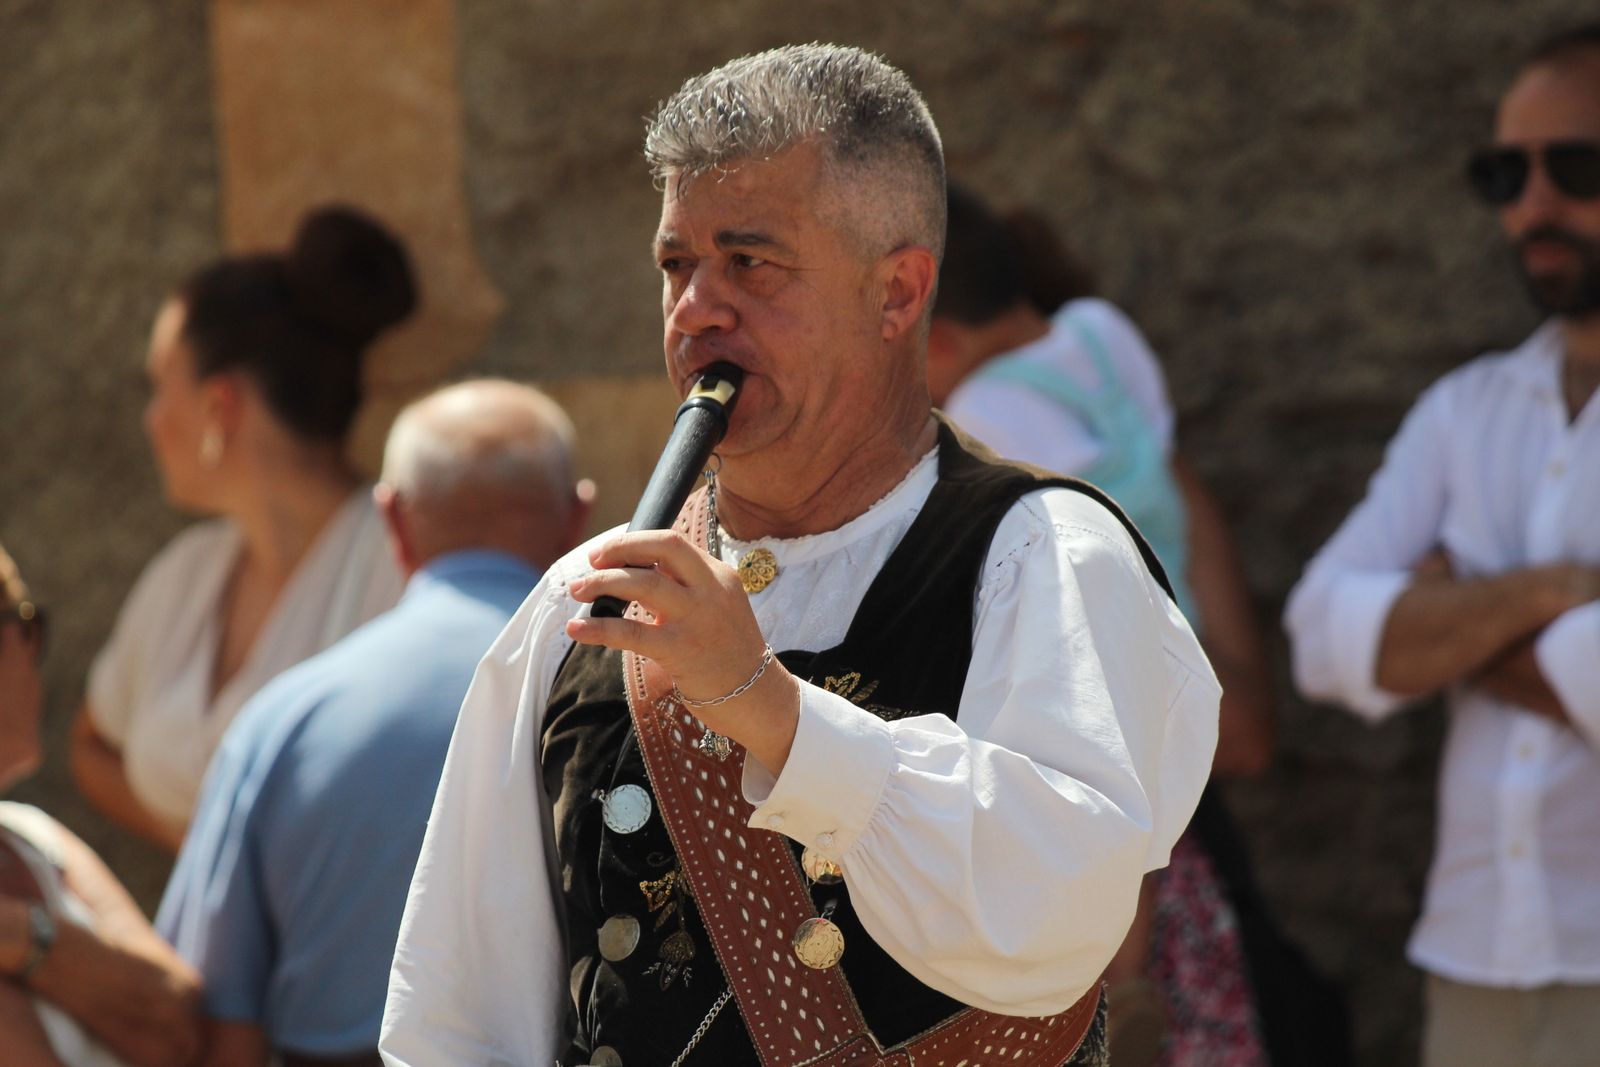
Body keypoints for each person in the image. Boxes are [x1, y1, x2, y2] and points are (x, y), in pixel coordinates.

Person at [383, 44, 1219, 1067]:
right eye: (676, 265)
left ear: (898, 293)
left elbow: (1051, 910)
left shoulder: (1044, 556)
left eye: (751, 263)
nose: (697, 309)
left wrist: (763, 703)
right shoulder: (580, 595)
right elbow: (458, 1010)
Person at [1285, 24, 1600, 1067]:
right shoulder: (1464, 411)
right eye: (1505, 172)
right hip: (1474, 966)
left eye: (1575, 166)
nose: (1532, 207)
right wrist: (1556, 593)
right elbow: (1321, 638)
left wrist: (1448, 620)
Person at [929, 185, 1293, 1067]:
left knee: (1107, 798)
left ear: (932, 336)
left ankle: (1122, 992)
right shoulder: (1099, 331)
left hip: (1115, 628)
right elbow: (1151, 441)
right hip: (1178, 603)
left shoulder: (981, 416)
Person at [156, 380, 592, 1067]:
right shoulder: (632, 703)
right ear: (578, 518)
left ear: (392, 520)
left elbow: (217, 1025)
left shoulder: (281, 722)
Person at [71, 206, 416, 851]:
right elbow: (90, 743)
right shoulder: (186, 571)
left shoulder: (401, 565)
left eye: (159, 386)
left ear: (218, 407)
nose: (149, 419)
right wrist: (211, 865)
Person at [0, 541, 203, 1067]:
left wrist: (19, 934)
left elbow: (182, 1021)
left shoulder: (33, 836)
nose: (34, 655)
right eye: (23, 625)